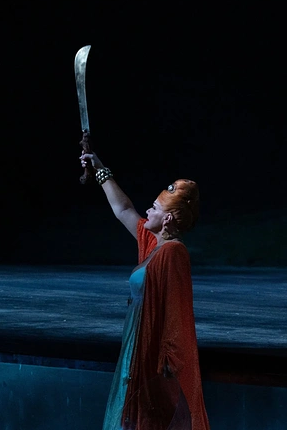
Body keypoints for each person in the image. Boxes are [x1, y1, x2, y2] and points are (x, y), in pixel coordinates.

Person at [80, 150, 211, 429]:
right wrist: (101, 170)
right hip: (136, 340)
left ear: (168, 219)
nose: (148, 211)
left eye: (154, 208)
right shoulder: (153, 244)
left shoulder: (173, 252)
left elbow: (176, 308)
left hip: (151, 350)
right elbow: (123, 210)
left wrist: (168, 356)